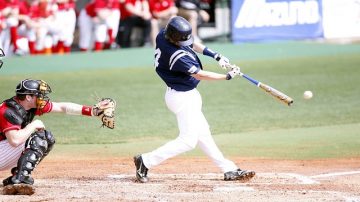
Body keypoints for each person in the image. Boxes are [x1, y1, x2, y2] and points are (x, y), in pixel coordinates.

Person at [133, 16, 255, 183]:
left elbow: (191, 43)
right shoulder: (176, 56)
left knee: (203, 134)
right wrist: (227, 77)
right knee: (188, 141)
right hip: (182, 98)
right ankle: (145, 161)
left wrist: (216, 56)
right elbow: (199, 74)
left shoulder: (164, 35)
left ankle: (228, 169)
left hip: (185, 95)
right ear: (174, 38)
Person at [0, 79, 111, 195]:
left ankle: (17, 176)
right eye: (39, 95)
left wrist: (93, 111)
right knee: (39, 139)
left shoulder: (29, 105)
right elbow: (14, 140)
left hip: (3, 151)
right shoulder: (8, 111)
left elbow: (62, 107)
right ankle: (19, 179)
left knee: (47, 138)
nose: (42, 98)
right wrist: (33, 125)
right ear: (28, 97)